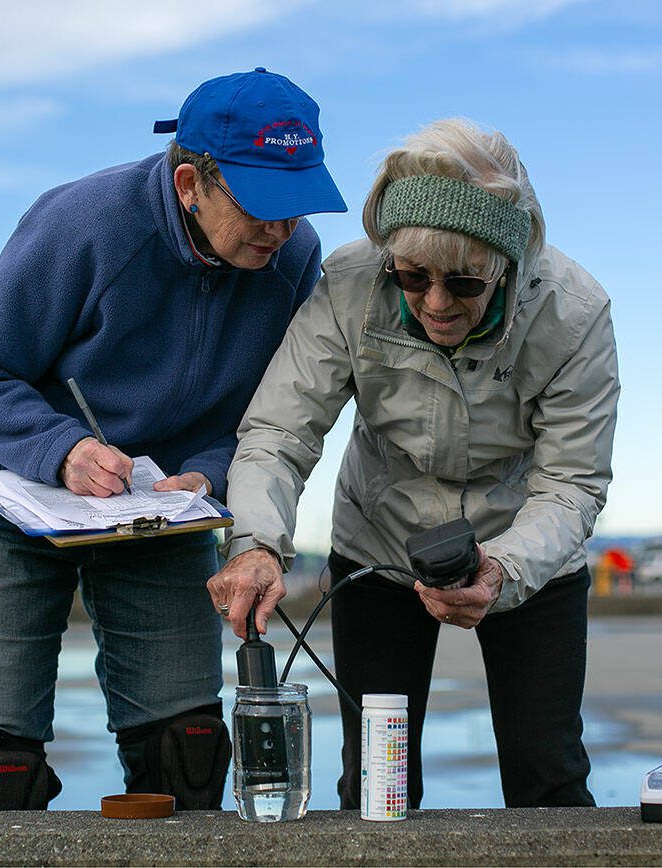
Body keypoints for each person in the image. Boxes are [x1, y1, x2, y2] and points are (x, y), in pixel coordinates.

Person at [0, 68, 346, 812]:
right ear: (190, 183)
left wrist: (208, 473)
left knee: (185, 756)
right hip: (10, 499)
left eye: (296, 204)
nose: (280, 231)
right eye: (260, 208)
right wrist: (60, 448)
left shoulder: (291, 256)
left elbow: (266, 410)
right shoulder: (85, 225)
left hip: (160, 509)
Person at [208, 118, 619, 809]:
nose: (435, 303)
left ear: (507, 264)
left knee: (547, 770)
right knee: (377, 783)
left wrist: (504, 568)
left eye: (464, 283)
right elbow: (280, 430)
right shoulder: (348, 283)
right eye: (412, 276)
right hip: (378, 544)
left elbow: (573, 483)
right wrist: (254, 542)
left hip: (527, 551)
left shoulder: (574, 314)